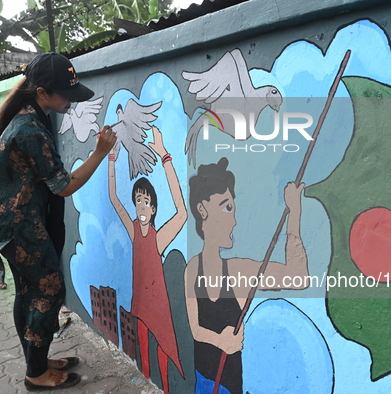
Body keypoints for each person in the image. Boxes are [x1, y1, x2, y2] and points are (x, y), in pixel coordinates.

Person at [0, 53, 117, 391]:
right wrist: (100, 152)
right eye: (64, 93)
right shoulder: (30, 128)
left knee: (29, 291)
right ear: (40, 92)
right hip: (18, 226)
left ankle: (36, 360)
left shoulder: (31, 117)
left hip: (12, 222)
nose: (69, 100)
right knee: (48, 292)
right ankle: (35, 374)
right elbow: (63, 186)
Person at [184, 157, 310, 394]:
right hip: (202, 380)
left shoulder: (237, 271)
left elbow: (297, 277)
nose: (234, 220)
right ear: (202, 209)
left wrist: (294, 213)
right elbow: (196, 330)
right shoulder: (193, 269)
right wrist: (220, 341)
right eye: (226, 207)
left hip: (229, 386)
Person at [108, 125, 187, 393]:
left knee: (164, 352)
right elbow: (113, 198)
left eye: (146, 201)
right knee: (144, 355)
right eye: (138, 200)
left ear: (153, 209)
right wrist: (111, 161)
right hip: (140, 304)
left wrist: (166, 157)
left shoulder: (158, 238)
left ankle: (165, 388)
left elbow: (182, 213)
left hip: (159, 305)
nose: (141, 205)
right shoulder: (133, 231)